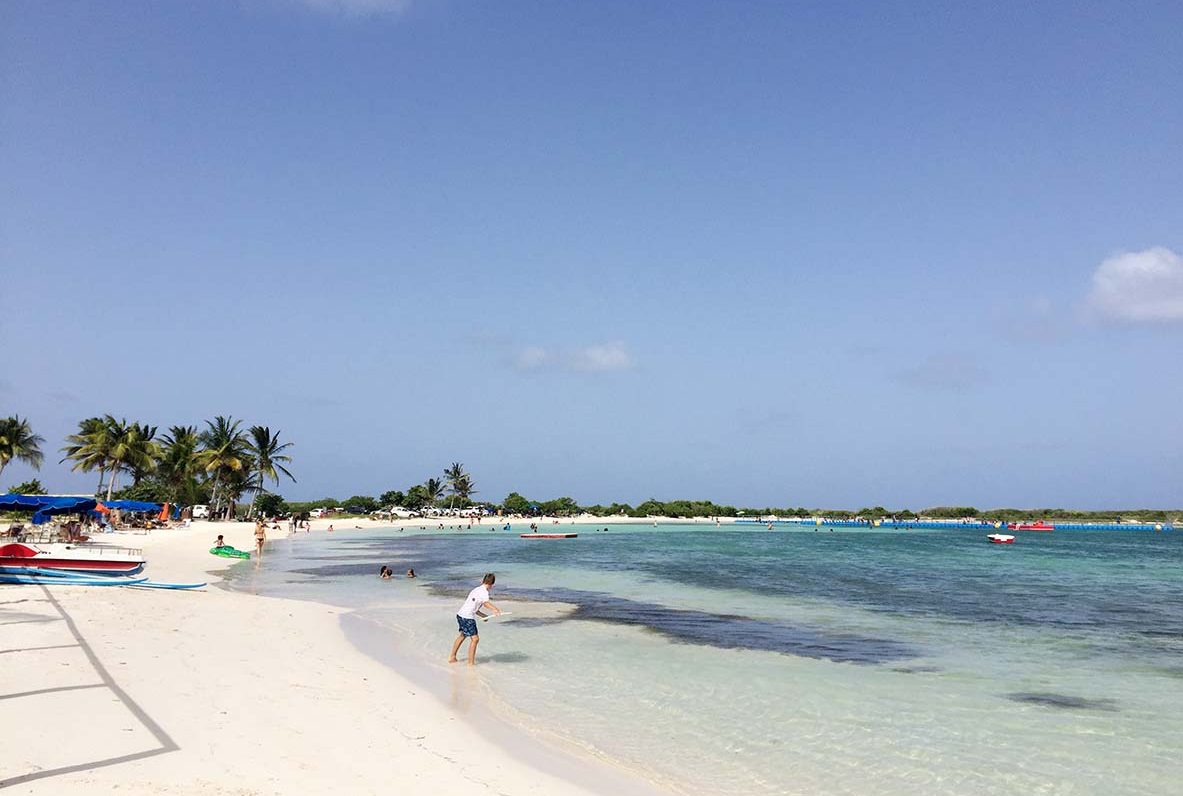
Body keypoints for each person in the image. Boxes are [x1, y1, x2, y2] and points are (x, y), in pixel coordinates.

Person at [448, 573, 501, 666]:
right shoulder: (484, 592)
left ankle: (452, 657)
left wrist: (482, 615)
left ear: (483, 581)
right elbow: (486, 603)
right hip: (467, 617)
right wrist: (495, 610)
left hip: (461, 615)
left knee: (463, 635)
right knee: (475, 639)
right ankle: (470, 663)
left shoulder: (476, 590)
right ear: (492, 585)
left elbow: (473, 607)